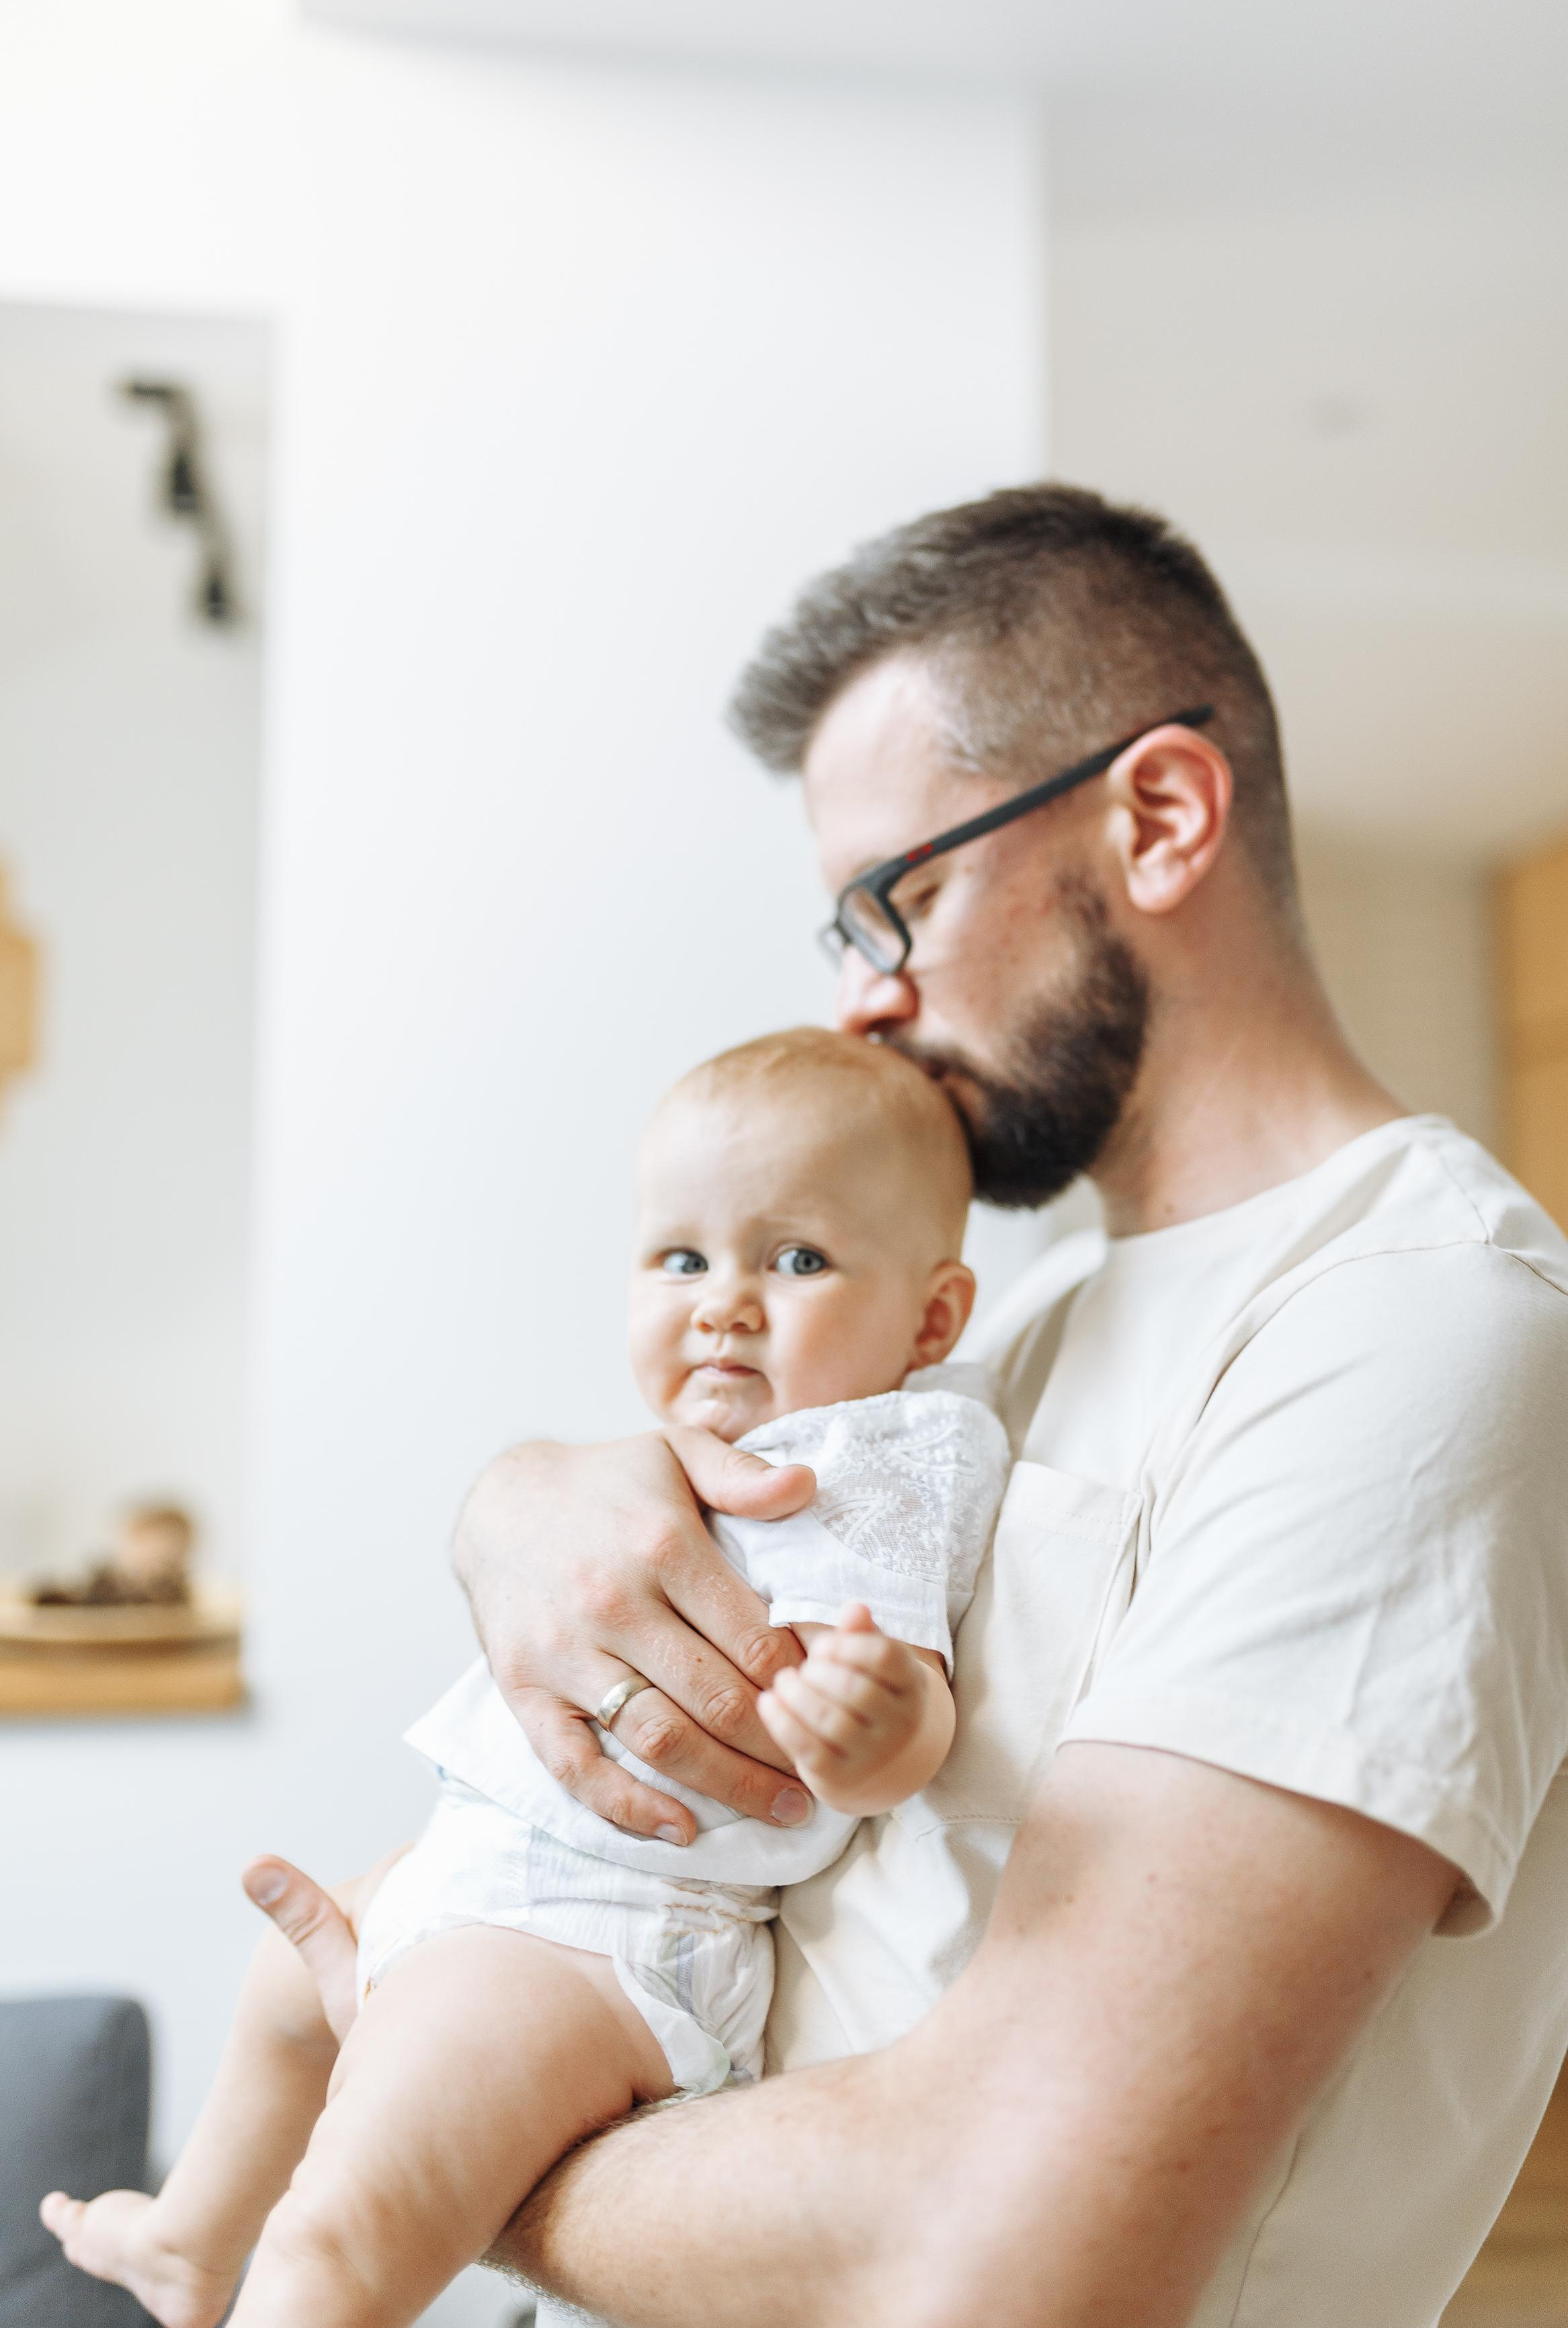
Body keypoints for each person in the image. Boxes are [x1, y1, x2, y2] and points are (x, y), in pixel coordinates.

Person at [212, 485, 1568, 2326]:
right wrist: (514, 1503)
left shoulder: (1409, 1331)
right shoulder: (1016, 1328)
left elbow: (1000, 2243)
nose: (863, 1004)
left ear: (1155, 817)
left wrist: (445, 2124)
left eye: (895, 900)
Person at [40, 1030, 1008, 2328]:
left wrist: (873, 1723)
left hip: (609, 1933)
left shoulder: (873, 1463)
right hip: (499, 1872)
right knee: (285, 1989)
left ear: (931, 1316)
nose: (722, 1301)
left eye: (796, 1259)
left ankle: (259, 2271)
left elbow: (911, 1724)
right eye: (681, 1258)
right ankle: (188, 2239)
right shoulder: (656, 1452)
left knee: (337, 2235)